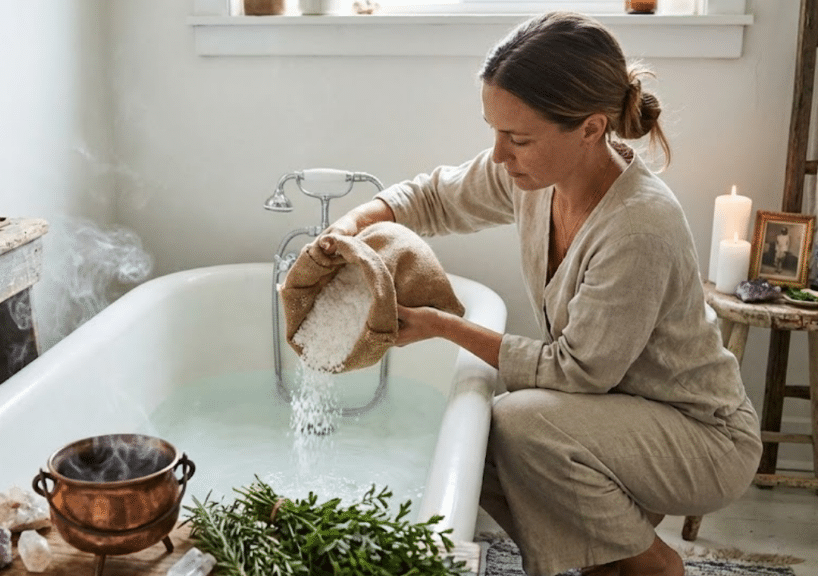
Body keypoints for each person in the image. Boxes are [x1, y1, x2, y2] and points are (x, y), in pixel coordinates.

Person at [319, 11, 761, 576]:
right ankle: (607, 557)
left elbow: (578, 373)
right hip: (615, 412)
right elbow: (432, 197)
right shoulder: (536, 178)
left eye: (517, 137)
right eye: (494, 130)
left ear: (591, 128)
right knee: (474, 438)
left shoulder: (638, 226)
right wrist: (351, 224)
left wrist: (441, 324)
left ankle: (650, 564)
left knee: (518, 422)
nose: (499, 154)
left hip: (701, 436)